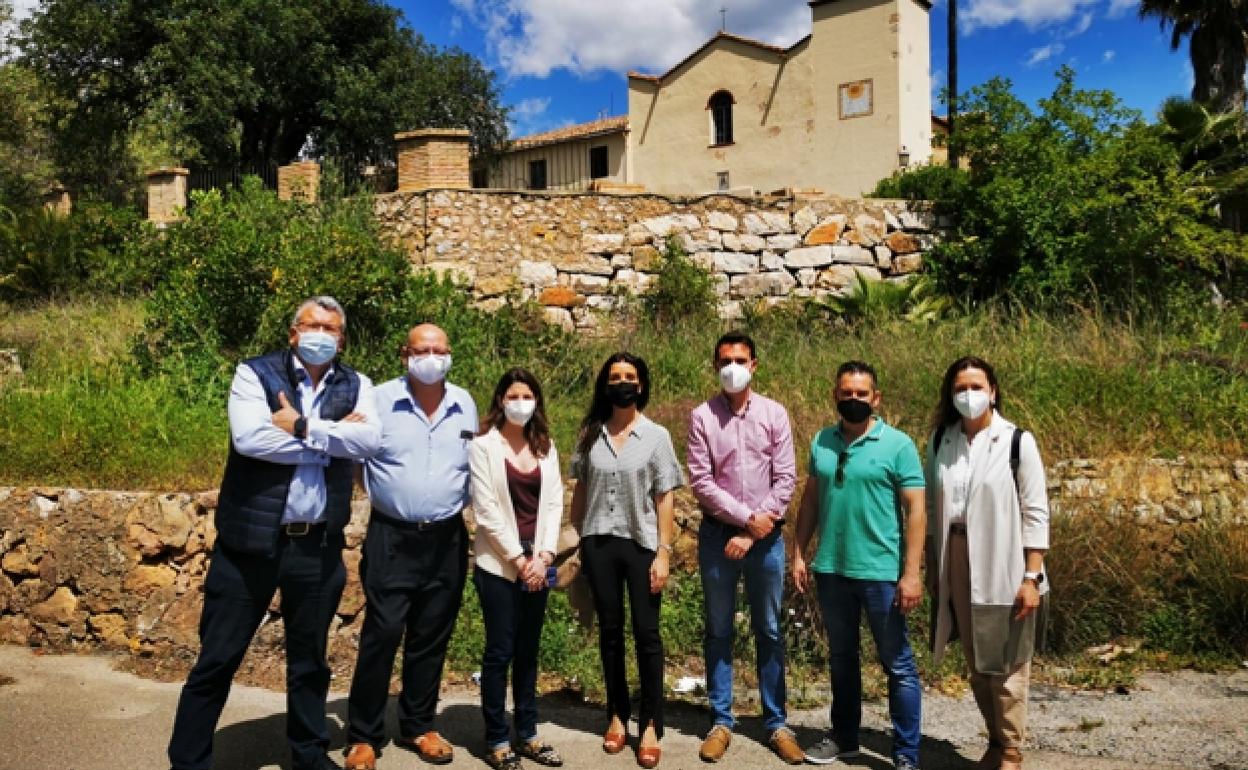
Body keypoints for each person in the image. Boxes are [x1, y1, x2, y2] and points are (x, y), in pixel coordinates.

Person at [168, 296, 381, 770]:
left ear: (342, 339)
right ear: (293, 332)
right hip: (250, 544)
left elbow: (369, 441)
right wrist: (329, 440)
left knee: (310, 662)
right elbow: (250, 439)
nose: (321, 333)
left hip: (317, 545)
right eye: (311, 324)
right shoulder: (254, 373)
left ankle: (308, 754)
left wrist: (301, 426)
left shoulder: (357, 384)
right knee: (218, 658)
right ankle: (188, 761)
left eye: (331, 328)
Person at [343, 324, 478, 770]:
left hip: (446, 536)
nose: (432, 357)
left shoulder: (465, 403)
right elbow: (356, 463)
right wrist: (392, 498)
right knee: (382, 634)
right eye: (423, 349)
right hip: (393, 536)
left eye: (440, 349)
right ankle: (363, 735)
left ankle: (420, 724)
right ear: (405, 354)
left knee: (431, 635)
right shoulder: (377, 400)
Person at [792, 360, 926, 770]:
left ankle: (905, 755)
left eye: (861, 394)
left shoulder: (898, 445)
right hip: (832, 569)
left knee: (898, 664)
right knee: (842, 659)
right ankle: (845, 738)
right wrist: (799, 551)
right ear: (835, 395)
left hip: (881, 573)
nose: (853, 400)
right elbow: (812, 500)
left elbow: (916, 510)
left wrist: (911, 572)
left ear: (876, 398)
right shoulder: (822, 441)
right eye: (846, 393)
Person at [925, 357, 1049, 770]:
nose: (969, 395)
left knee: (1009, 661)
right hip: (956, 555)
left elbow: (1035, 511)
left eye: (977, 386)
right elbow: (931, 505)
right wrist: (933, 565)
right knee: (978, 661)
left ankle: (1011, 750)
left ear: (993, 391)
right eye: (961, 387)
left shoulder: (1017, 441)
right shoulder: (942, 439)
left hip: (1005, 560)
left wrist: (1032, 576)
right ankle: (995, 740)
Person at [685, 332, 803, 765]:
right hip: (719, 538)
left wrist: (753, 531)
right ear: (715, 366)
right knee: (719, 629)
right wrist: (743, 519)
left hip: (766, 540)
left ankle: (776, 723)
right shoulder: (702, 417)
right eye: (723, 360)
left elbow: (786, 478)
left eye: (739, 359)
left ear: (754, 364)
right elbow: (702, 481)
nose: (731, 367)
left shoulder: (774, 413)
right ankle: (721, 720)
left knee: (769, 629)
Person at [569, 352, 684, 770]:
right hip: (599, 543)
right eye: (615, 377)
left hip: (641, 546)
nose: (623, 382)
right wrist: (578, 535)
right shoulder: (589, 435)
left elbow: (665, 496)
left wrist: (663, 553)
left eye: (630, 376)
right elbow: (580, 488)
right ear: (605, 385)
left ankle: (651, 722)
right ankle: (617, 714)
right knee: (611, 632)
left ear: (641, 384)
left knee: (647, 634)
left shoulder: (656, 436)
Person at [469, 368, 566, 770]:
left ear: (537, 402)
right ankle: (495, 738)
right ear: (500, 400)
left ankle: (527, 732)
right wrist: (520, 560)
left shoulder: (545, 446)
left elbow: (555, 503)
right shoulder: (483, 446)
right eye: (514, 395)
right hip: (499, 565)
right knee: (500, 651)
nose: (521, 402)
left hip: (537, 565)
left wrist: (543, 557)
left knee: (528, 652)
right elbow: (486, 511)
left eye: (528, 395)